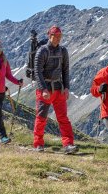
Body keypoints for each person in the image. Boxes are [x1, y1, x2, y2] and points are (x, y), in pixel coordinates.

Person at [33, 26, 78, 154]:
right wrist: (43, 89)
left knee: (63, 117)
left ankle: (68, 144)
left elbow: (65, 71)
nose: (58, 39)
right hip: (45, 90)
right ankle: (38, 144)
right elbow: (38, 72)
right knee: (41, 117)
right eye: (55, 36)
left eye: (60, 36)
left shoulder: (63, 51)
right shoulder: (42, 51)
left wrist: (67, 87)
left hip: (59, 89)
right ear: (50, 36)